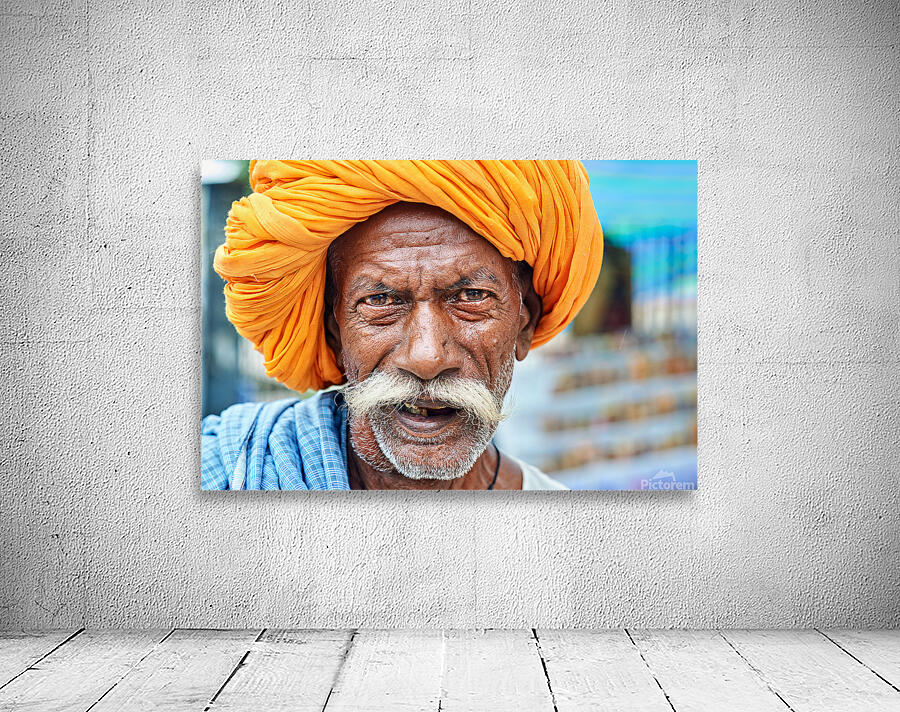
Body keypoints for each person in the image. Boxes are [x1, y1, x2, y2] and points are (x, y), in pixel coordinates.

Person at [202, 161, 603, 490]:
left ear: (524, 323)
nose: (427, 358)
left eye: (470, 297)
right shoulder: (222, 469)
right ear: (334, 331)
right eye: (380, 301)